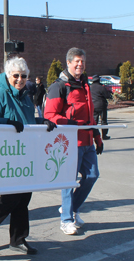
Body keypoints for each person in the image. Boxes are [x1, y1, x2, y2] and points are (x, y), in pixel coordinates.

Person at [0, 57, 56, 255]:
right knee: (12, 196)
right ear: (7, 75)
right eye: (16, 76)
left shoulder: (26, 97)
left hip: (26, 152)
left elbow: (27, 121)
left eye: (23, 76)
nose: (20, 80)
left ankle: (18, 239)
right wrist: (6, 122)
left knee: (24, 199)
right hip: (6, 154)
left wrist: (42, 121)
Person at [44, 47, 103, 236]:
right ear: (68, 63)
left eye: (83, 61)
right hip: (69, 142)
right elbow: (50, 115)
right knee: (68, 181)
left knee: (92, 175)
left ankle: (69, 208)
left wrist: (97, 136)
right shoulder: (59, 86)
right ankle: (67, 220)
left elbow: (90, 115)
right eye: (76, 61)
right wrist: (70, 123)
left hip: (87, 141)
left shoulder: (85, 84)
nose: (80, 64)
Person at [90, 75, 112, 140]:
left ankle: (93, 135)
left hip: (93, 106)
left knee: (94, 121)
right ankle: (104, 135)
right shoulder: (101, 87)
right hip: (102, 106)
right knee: (104, 121)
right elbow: (108, 95)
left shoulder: (90, 88)